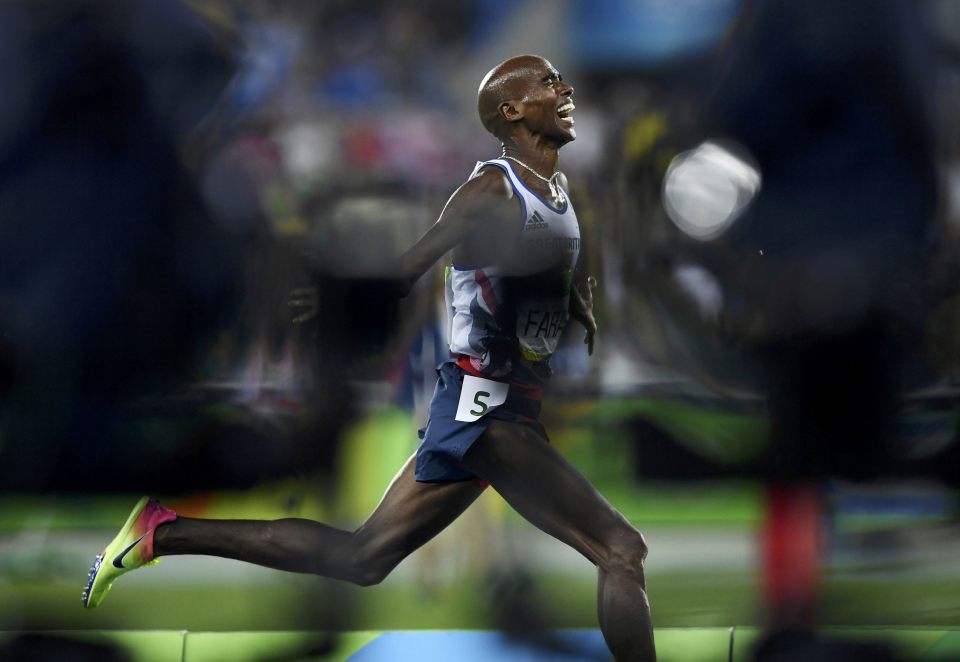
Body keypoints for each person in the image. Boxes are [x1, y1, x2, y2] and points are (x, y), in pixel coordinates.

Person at [82, 54, 656, 662]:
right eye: (546, 83)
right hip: (487, 412)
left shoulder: (560, 191)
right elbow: (412, 265)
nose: (564, 89)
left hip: (496, 407)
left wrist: (577, 309)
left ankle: (161, 532)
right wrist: (328, 301)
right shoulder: (491, 188)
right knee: (622, 550)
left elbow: (550, 276)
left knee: (364, 558)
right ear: (512, 112)